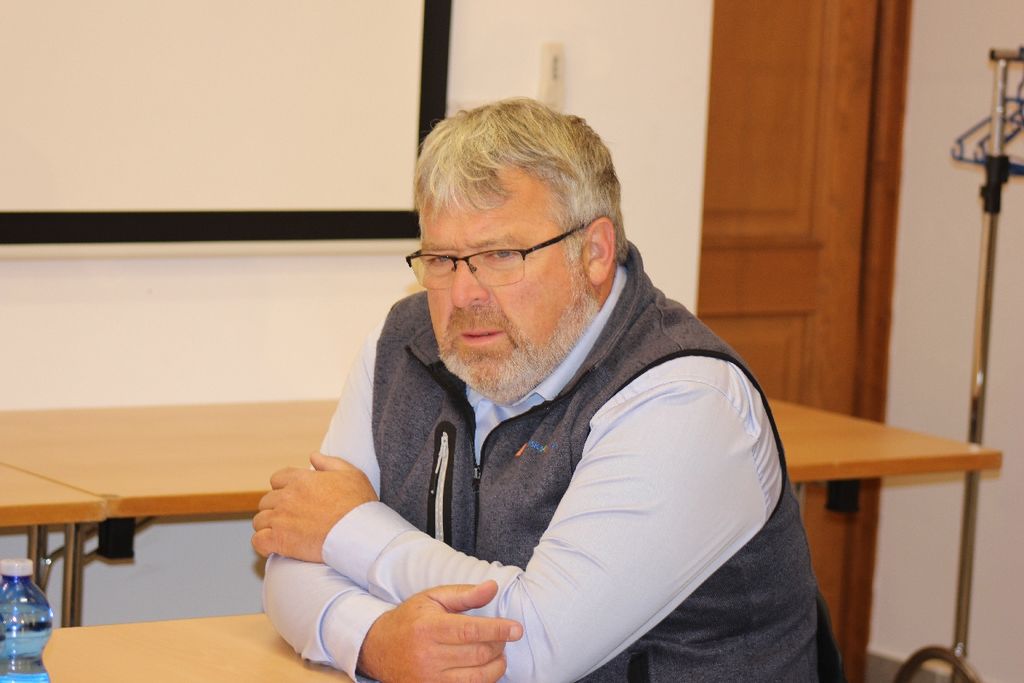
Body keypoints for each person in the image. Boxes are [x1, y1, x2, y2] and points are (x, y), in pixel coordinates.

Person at [252, 97, 823, 682]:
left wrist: (350, 529)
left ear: (594, 253)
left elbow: (532, 649)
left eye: (502, 255)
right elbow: (292, 554)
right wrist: (373, 642)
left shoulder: (687, 399)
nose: (464, 294)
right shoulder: (402, 345)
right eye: (442, 259)